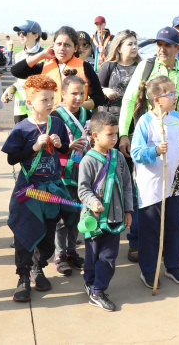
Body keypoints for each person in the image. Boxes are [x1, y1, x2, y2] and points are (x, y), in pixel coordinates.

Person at [117, 26, 179, 262]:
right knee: (144, 193)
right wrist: (123, 133)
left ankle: (166, 247)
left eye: (167, 45)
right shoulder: (146, 66)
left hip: (174, 137)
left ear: (178, 48)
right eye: (159, 44)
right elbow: (129, 100)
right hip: (147, 139)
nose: (162, 49)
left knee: (171, 194)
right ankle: (137, 241)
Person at [2, 74, 78, 302]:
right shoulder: (22, 129)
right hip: (29, 190)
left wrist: (61, 145)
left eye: (51, 98)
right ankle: (23, 276)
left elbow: (64, 150)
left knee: (47, 234)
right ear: (30, 103)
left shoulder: (57, 124)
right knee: (25, 233)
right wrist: (34, 147)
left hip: (52, 189)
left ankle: (38, 268)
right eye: (44, 100)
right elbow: (11, 159)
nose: (49, 103)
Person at [130, 76, 179, 288]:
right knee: (151, 230)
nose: (176, 98)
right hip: (151, 187)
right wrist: (155, 151)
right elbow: (136, 153)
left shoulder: (177, 119)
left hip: (173, 184)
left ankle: (173, 265)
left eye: (176, 93)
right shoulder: (145, 122)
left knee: (176, 226)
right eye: (171, 94)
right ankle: (149, 270)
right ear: (157, 100)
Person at [77, 112, 134, 312]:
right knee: (92, 256)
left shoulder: (119, 158)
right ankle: (90, 283)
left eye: (116, 134)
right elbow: (83, 190)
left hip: (115, 218)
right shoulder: (88, 161)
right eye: (110, 134)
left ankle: (98, 290)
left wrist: (128, 211)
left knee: (108, 256)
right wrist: (93, 202)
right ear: (95, 135)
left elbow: (127, 185)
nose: (114, 138)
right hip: (93, 220)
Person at [50, 69, 92, 276]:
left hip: (81, 172)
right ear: (63, 94)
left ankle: (71, 251)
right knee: (61, 216)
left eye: (81, 93)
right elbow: (50, 144)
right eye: (74, 93)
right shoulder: (55, 116)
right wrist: (68, 145)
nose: (78, 98)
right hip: (61, 174)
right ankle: (59, 255)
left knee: (77, 213)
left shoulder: (87, 114)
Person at [10, 26, 108, 111]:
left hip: (76, 120)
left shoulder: (85, 67)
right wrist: (42, 55)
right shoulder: (44, 67)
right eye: (59, 44)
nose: (62, 48)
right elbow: (16, 71)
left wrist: (76, 106)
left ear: (75, 48)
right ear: (53, 46)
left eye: (67, 45)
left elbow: (99, 98)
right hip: (50, 119)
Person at [2, 20, 44, 123]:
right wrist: (12, 87)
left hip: (37, 109)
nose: (21, 35)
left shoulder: (45, 55)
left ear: (36, 35)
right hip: (20, 111)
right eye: (19, 33)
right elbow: (19, 81)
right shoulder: (18, 56)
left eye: (24, 33)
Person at [98, 30, 141, 117]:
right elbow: (96, 91)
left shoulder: (141, 67)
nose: (134, 47)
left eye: (135, 44)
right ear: (119, 49)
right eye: (130, 44)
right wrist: (105, 91)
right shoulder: (108, 66)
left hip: (134, 116)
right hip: (111, 118)